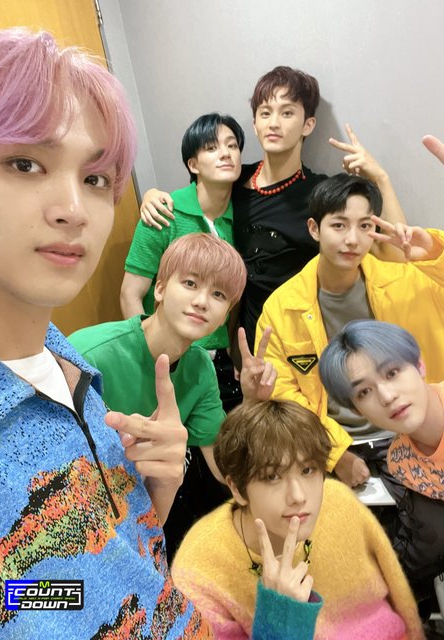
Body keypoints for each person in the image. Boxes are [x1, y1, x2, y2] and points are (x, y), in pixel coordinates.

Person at [0, 28, 297, 639]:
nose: (73, 208)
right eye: (25, 163)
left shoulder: (69, 368)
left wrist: (155, 494)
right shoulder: (89, 354)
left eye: (95, 178)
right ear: (160, 287)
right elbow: (4, 601)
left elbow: (89, 575)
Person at [139, 66, 406, 352]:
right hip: (243, 342)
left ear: (308, 125)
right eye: (265, 113)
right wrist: (152, 196)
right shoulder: (232, 179)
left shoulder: (321, 193)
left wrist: (381, 179)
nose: (274, 123)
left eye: (287, 113)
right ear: (255, 124)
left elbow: (394, 256)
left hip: (301, 341)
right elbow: (193, 203)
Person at [69, 233, 275, 559]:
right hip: (70, 515)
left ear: (225, 314)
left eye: (218, 294)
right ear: (160, 289)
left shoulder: (200, 369)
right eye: (190, 283)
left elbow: (225, 468)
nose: (202, 301)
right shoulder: (89, 353)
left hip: (142, 518)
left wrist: (254, 402)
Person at [171, 400, 424, 640]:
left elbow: (401, 599)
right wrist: (280, 617)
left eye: (308, 470)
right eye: (272, 476)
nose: (298, 496)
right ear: (237, 488)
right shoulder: (199, 570)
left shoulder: (339, 502)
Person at [255, 173, 444, 489]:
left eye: (365, 226)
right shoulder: (282, 307)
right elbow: (285, 394)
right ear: (314, 229)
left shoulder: (407, 281)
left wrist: (434, 255)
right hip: (329, 445)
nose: (353, 239)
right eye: (339, 225)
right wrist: (336, 455)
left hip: (415, 434)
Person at [122, 112, 245, 411]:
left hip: (218, 359)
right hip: (166, 359)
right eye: (212, 148)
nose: (225, 154)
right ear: (193, 164)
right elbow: (130, 293)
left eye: (232, 145)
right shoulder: (164, 213)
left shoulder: (245, 217)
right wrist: (145, 358)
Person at [319, 319, 444, 600]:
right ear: (357, 411)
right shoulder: (401, 462)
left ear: (420, 365)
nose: (387, 397)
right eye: (364, 392)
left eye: (392, 372)